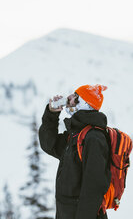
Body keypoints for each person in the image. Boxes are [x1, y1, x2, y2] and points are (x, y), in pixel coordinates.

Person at [39, 84, 111, 219]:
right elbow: (49, 144)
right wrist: (51, 114)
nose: (69, 98)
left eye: (75, 97)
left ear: (84, 104)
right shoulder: (75, 135)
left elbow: (94, 186)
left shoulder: (94, 137)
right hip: (66, 213)